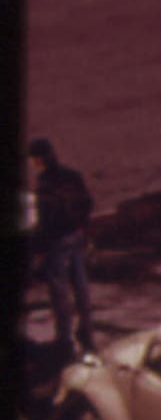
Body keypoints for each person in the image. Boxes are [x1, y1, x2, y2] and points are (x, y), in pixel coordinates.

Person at [30, 138, 94, 359]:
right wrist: (85, 231)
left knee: (59, 291)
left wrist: (38, 251)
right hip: (77, 235)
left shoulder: (44, 185)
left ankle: (64, 337)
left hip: (57, 243)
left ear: (39, 159)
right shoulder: (71, 175)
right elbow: (88, 203)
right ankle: (86, 326)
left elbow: (44, 224)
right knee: (80, 282)